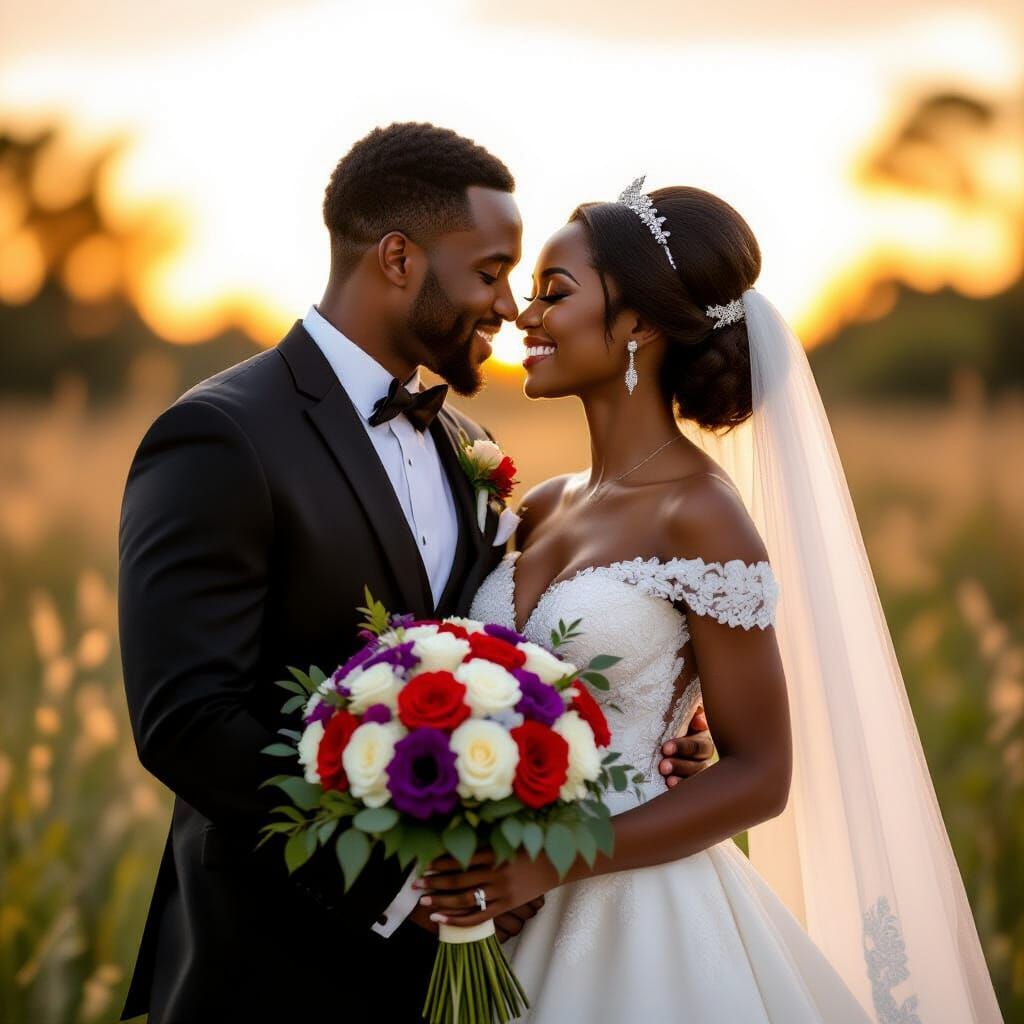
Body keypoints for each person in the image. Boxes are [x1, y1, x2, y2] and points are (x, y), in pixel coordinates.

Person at [117, 126, 712, 1023]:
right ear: (398, 259)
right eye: (490, 271)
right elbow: (187, 722)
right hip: (272, 967)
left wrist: (636, 738)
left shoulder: (467, 446)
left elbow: (506, 667)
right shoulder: (221, 436)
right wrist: (413, 887)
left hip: (467, 977)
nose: (510, 307)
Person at [417, 182, 1004, 1022]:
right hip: (497, 909)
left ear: (641, 326)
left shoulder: (700, 513)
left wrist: (553, 860)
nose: (527, 316)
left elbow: (762, 775)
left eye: (556, 293)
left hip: (636, 916)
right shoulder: (541, 505)